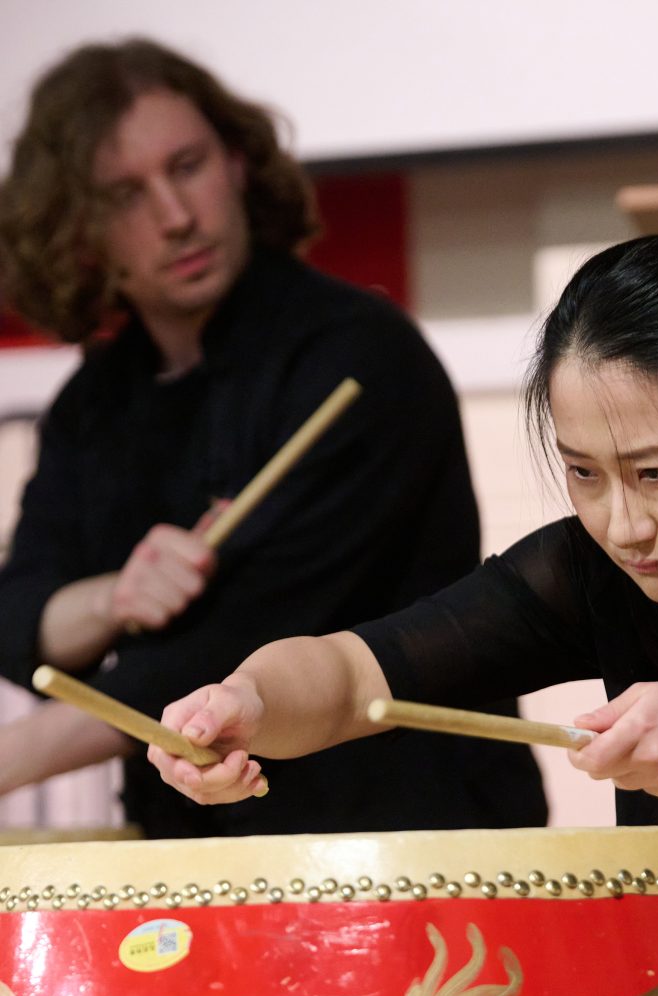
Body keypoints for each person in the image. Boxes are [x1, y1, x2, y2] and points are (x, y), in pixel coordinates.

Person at [0, 38, 548, 837]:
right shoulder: (93, 401)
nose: (175, 217)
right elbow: (20, 623)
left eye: (186, 166)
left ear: (237, 164)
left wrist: (13, 759)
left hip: (405, 836)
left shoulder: (358, 356)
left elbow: (225, 654)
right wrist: (112, 597)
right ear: (77, 228)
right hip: (197, 840)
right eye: (124, 195)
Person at [150, 230, 658, 867]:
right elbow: (355, 676)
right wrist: (247, 701)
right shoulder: (595, 570)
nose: (623, 526)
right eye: (585, 473)